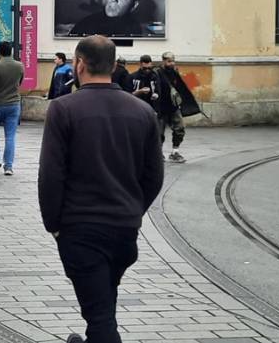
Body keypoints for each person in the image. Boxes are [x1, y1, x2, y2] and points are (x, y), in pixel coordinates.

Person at [38, 35, 163, 343]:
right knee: (103, 304)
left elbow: (51, 175)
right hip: (124, 229)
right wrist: (133, 209)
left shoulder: (63, 109)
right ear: (112, 64)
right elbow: (154, 176)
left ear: (80, 64)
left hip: (81, 229)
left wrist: (54, 225)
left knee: (100, 318)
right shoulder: (143, 112)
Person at [0, 41, 24, 176]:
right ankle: (8, 166)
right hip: (14, 104)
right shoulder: (20, 66)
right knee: (10, 136)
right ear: (11, 51)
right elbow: (19, 83)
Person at [156, 52, 199, 164]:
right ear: (164, 61)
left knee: (179, 129)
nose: (171, 63)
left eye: (173, 61)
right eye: (169, 61)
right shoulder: (157, 73)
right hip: (161, 107)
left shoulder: (175, 72)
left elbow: (181, 88)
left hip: (174, 106)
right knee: (159, 133)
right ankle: (158, 153)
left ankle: (175, 152)